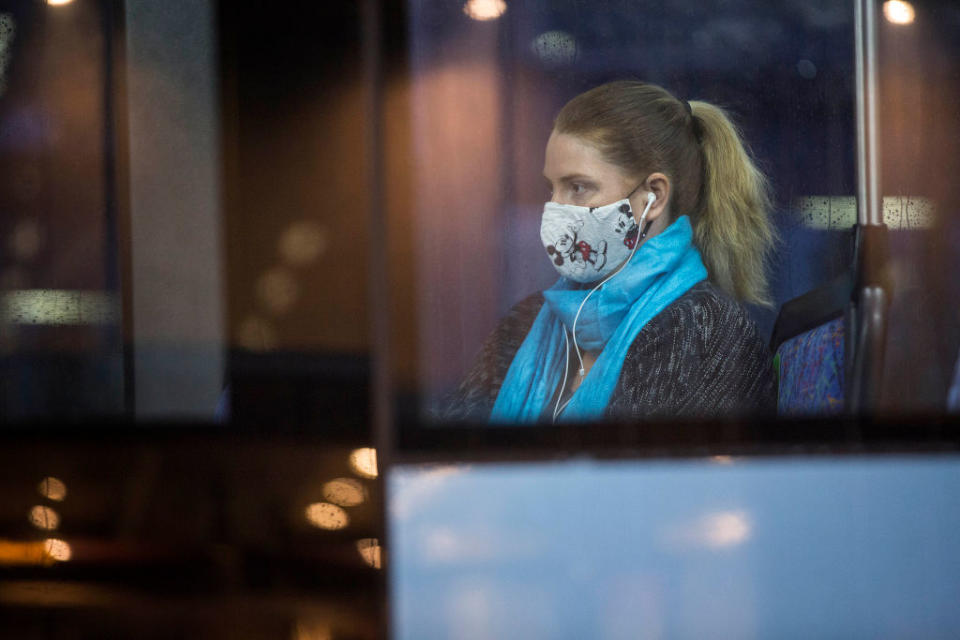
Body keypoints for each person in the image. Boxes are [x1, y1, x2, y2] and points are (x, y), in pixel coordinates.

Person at [442, 80, 776, 423]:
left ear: (653, 197)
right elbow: (451, 458)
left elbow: (647, 473)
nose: (554, 208)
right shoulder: (524, 322)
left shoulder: (704, 330)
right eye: (551, 188)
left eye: (578, 187)